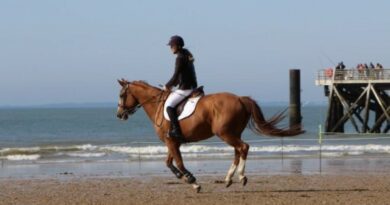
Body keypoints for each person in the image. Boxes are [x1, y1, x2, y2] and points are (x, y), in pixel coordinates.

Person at [163, 35, 198, 142]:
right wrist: (173, 85)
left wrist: (167, 86)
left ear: (178, 46)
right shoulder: (186, 55)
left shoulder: (180, 58)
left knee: (169, 106)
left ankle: (177, 131)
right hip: (192, 86)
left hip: (185, 89)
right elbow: (181, 76)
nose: (170, 48)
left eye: (172, 46)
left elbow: (175, 75)